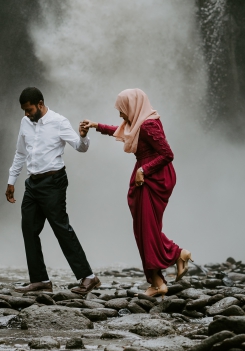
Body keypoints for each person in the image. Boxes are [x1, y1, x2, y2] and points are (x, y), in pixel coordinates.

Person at [82, 88, 191, 296]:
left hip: (153, 177)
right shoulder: (141, 122)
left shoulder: (148, 125)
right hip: (146, 175)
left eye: (122, 110)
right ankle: (163, 275)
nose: (121, 114)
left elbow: (168, 154)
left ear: (132, 107)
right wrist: (96, 126)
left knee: (146, 229)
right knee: (145, 229)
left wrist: (144, 170)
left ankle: (162, 277)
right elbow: (123, 131)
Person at [6, 87, 101, 295]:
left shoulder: (59, 121)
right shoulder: (25, 123)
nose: (26, 114)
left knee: (61, 228)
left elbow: (80, 147)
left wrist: (84, 137)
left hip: (53, 181)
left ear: (40, 104)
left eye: (29, 109)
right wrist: (11, 180)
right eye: (23, 110)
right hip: (32, 183)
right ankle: (40, 280)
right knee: (28, 229)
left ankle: (89, 277)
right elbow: (20, 153)